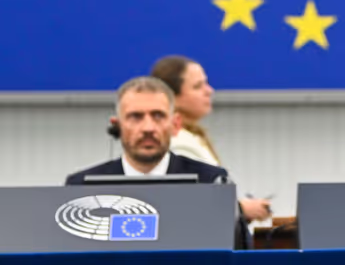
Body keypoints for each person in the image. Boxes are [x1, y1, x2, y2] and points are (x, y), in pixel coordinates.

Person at [151, 55, 271, 222]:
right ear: (171, 96)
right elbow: (190, 207)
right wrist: (242, 209)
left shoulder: (190, 137)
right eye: (198, 86)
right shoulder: (175, 143)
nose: (209, 91)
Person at [66, 76, 229, 185]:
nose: (148, 128)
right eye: (136, 117)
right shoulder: (83, 187)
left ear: (175, 124)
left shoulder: (211, 182)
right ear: (117, 126)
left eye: (158, 116)